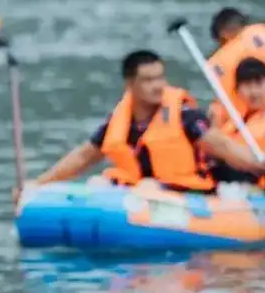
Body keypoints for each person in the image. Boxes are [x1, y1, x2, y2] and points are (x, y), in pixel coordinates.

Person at [19, 50, 261, 199]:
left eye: (160, 78)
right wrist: (38, 184)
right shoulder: (120, 120)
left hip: (188, 192)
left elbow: (224, 147)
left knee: (148, 187)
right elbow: (84, 156)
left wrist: (258, 165)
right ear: (130, 84)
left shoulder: (184, 115)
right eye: (148, 80)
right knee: (98, 182)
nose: (158, 86)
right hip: (141, 193)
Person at [210, 57, 265, 187]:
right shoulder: (232, 115)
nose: (253, 92)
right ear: (237, 90)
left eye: (258, 84)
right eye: (247, 85)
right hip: (229, 180)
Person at [208, 7, 265, 124]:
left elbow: (225, 106)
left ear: (222, 34)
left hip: (247, 121)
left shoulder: (217, 62)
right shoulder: (260, 31)